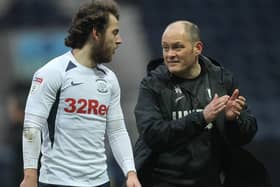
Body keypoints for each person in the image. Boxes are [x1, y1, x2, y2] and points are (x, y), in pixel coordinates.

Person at [133, 20, 270, 187]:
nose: (169, 54)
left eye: (177, 47)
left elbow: (244, 136)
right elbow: (152, 135)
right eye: (165, 47)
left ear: (197, 48)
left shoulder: (221, 80)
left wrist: (233, 121)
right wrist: (202, 117)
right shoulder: (152, 84)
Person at [20, 1, 141, 187]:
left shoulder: (109, 79)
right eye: (114, 32)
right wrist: (29, 177)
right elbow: (31, 127)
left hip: (100, 182)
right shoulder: (53, 72)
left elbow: (116, 131)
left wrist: (130, 173)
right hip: (56, 182)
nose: (120, 40)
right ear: (96, 33)